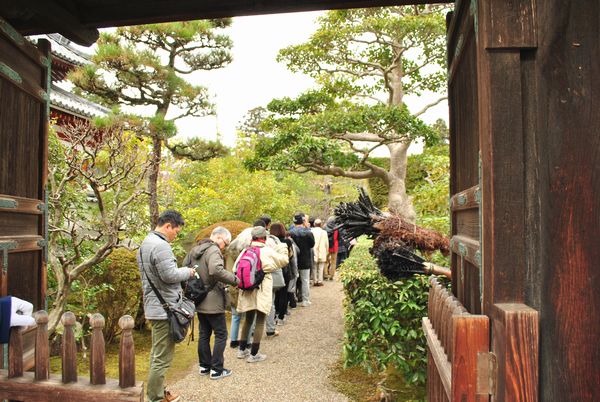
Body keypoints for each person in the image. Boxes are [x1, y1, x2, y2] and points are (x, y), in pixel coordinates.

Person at [138, 210, 196, 402]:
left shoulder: (146, 242)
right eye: (176, 232)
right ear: (168, 226)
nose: (175, 236)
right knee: (161, 358)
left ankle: (160, 392)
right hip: (164, 309)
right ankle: (155, 398)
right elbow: (169, 275)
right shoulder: (161, 245)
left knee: (158, 354)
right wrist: (188, 272)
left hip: (155, 306)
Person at [183, 227, 238, 380]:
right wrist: (235, 279)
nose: (224, 246)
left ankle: (204, 366)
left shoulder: (195, 250)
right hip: (213, 300)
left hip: (198, 298)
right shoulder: (213, 250)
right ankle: (217, 369)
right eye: (225, 243)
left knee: (204, 333)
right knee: (221, 334)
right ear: (218, 237)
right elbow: (216, 270)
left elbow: (183, 269)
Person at [236, 226, 288, 363]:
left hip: (247, 289)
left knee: (248, 319)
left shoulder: (245, 251)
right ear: (264, 238)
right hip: (262, 288)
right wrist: (282, 246)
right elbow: (283, 261)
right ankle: (254, 354)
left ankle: (242, 350)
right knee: (260, 321)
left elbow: (236, 268)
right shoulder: (266, 251)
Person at [289, 213, 315, 306]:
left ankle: (293, 299)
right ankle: (305, 300)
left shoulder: (290, 233)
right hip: (305, 259)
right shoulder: (308, 233)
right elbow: (312, 245)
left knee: (293, 280)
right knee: (305, 280)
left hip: (293, 260)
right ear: (302, 221)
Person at [311, 218, 329, 286]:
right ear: (320, 224)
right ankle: (320, 281)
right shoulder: (324, 232)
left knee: (314, 267)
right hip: (322, 251)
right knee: (321, 267)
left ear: (314, 224)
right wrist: (327, 251)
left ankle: (315, 281)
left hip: (314, 251)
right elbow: (326, 243)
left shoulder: (311, 231)